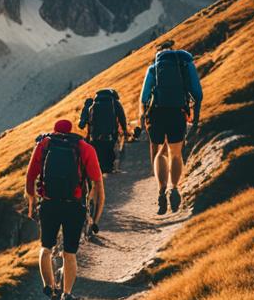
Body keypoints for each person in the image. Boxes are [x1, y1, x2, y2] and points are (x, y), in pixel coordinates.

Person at [25, 119, 105, 300]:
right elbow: (97, 184)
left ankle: (51, 289)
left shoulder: (44, 145)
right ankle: (67, 294)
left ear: (55, 130)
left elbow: (30, 177)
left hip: (49, 204)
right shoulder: (84, 147)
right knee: (69, 253)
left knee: (46, 248)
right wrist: (95, 218)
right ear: (71, 131)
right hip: (74, 206)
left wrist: (32, 204)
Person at [138, 40, 203, 214]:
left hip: (157, 114)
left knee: (160, 153)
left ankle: (161, 191)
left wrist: (144, 116)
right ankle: (174, 188)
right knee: (175, 153)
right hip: (177, 112)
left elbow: (144, 97)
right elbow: (197, 93)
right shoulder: (185, 66)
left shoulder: (153, 69)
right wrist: (195, 115)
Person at [78, 88, 129, 174]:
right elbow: (122, 118)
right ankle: (109, 170)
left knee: (98, 159)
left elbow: (81, 124)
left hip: (95, 137)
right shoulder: (114, 103)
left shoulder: (92, 104)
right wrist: (124, 130)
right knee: (109, 158)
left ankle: (99, 173)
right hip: (110, 135)